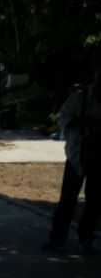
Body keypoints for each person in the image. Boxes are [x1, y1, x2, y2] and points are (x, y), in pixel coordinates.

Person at [43, 71, 101, 255]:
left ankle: (86, 240)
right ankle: (57, 239)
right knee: (67, 200)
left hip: (98, 158)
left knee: (94, 202)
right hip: (77, 156)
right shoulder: (79, 98)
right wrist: (84, 122)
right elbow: (62, 119)